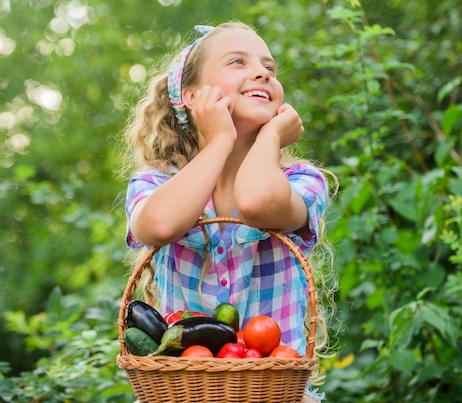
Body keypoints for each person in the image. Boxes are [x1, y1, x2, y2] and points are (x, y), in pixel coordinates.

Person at [121, 21, 336, 402]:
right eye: (238, 61)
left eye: (269, 68)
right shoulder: (157, 183)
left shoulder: (302, 181)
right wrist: (220, 140)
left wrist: (269, 137)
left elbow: (256, 202)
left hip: (275, 393)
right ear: (190, 95)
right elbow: (158, 224)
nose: (262, 73)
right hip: (183, 392)